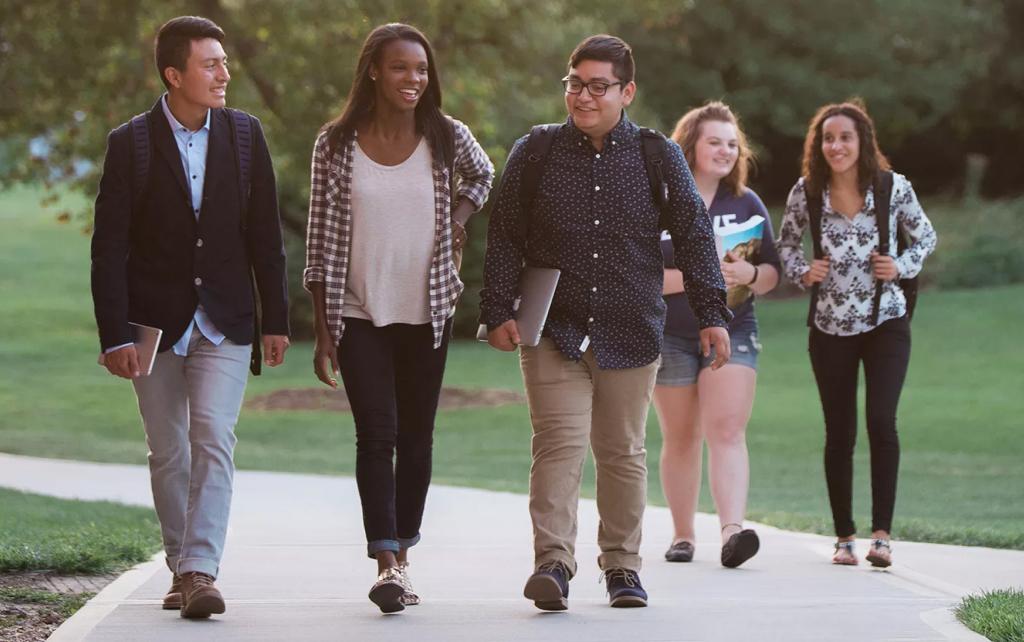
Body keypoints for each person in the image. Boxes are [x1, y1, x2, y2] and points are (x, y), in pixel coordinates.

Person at [480, 35, 731, 611]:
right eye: (575, 83)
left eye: (598, 86)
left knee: (621, 451)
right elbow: (504, 235)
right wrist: (497, 310)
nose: (583, 96)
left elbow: (694, 234)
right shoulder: (536, 152)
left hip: (631, 328)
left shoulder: (655, 154)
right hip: (554, 330)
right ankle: (554, 564)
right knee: (559, 446)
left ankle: (621, 567)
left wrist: (712, 314)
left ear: (627, 91)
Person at [91, 16, 290, 619]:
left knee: (213, 440)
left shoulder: (247, 136)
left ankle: (201, 569)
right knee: (168, 451)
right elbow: (109, 247)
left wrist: (273, 319)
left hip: (226, 319)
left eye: (224, 62)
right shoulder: (131, 143)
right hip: (154, 325)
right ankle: (180, 566)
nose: (225, 73)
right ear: (175, 75)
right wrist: (114, 334)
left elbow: (265, 236)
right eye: (211, 64)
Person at [304, 23, 494, 614]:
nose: (413, 79)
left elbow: (485, 176)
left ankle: (405, 556)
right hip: (357, 310)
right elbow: (318, 243)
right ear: (373, 73)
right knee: (376, 435)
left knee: (416, 438)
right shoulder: (335, 144)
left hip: (427, 310)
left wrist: (460, 216)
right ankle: (386, 563)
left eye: (420, 69)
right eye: (400, 68)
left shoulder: (445, 136)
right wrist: (323, 329)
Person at [777, 100, 936, 567]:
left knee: (881, 423)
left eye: (846, 137)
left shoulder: (892, 188)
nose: (837, 146)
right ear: (818, 145)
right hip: (828, 329)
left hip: (886, 322)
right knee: (839, 432)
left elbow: (925, 236)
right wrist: (804, 272)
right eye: (828, 138)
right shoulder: (807, 192)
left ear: (862, 142)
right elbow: (785, 244)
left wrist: (900, 265)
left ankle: (882, 537)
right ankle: (844, 537)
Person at [655, 102, 780, 568]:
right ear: (691, 145)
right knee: (681, 436)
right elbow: (641, 275)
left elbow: (772, 273)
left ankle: (732, 532)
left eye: (733, 143)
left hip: (734, 328)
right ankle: (683, 535)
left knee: (726, 430)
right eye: (715, 141)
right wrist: (700, 276)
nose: (726, 151)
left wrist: (751, 271)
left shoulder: (746, 203)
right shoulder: (660, 199)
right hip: (669, 334)